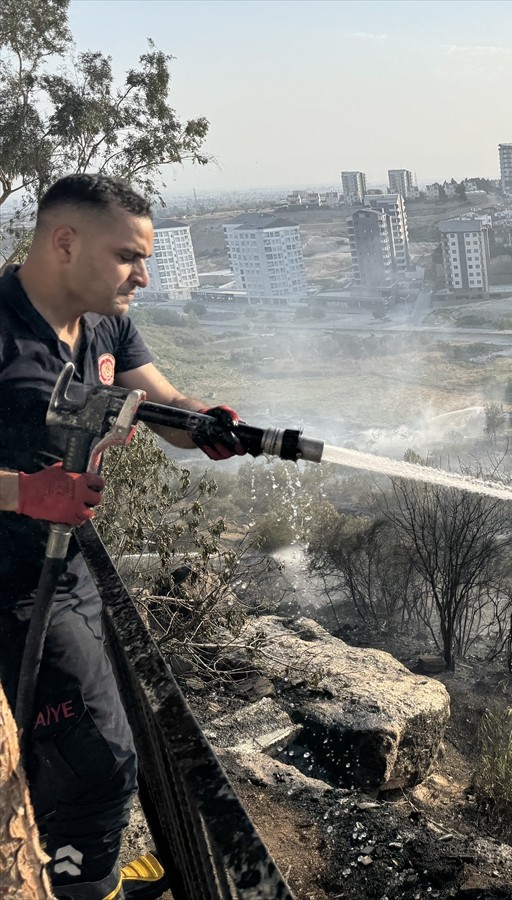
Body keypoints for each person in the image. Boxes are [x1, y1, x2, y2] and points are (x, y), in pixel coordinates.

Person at [0, 174, 247, 900]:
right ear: (65, 241)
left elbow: (160, 402)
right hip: (8, 592)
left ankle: (75, 875)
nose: (144, 274)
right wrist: (24, 491)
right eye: (128, 256)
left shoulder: (104, 323)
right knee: (100, 766)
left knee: (77, 760)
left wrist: (206, 424)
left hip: (66, 575)